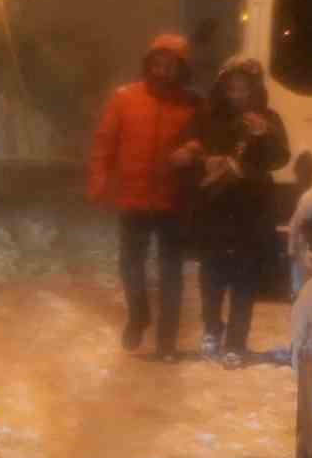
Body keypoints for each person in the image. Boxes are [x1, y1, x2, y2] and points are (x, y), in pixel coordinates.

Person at [88, 34, 200, 360]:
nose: (162, 71)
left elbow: (206, 136)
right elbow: (104, 143)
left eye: (170, 65)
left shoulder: (192, 104)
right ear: (148, 64)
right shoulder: (124, 98)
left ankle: (167, 342)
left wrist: (193, 149)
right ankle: (138, 315)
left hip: (173, 200)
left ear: (182, 69)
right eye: (157, 63)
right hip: (132, 198)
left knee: (171, 272)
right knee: (130, 264)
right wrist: (99, 181)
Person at [175, 58, 289, 368]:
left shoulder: (268, 118)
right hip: (214, 205)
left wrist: (264, 134)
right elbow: (192, 150)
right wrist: (206, 162)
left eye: (243, 88)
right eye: (231, 88)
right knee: (211, 272)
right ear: (221, 88)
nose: (236, 94)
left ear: (254, 89)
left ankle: (236, 342)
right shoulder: (207, 117)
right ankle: (212, 329)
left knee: (245, 276)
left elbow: (280, 159)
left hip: (251, 208)